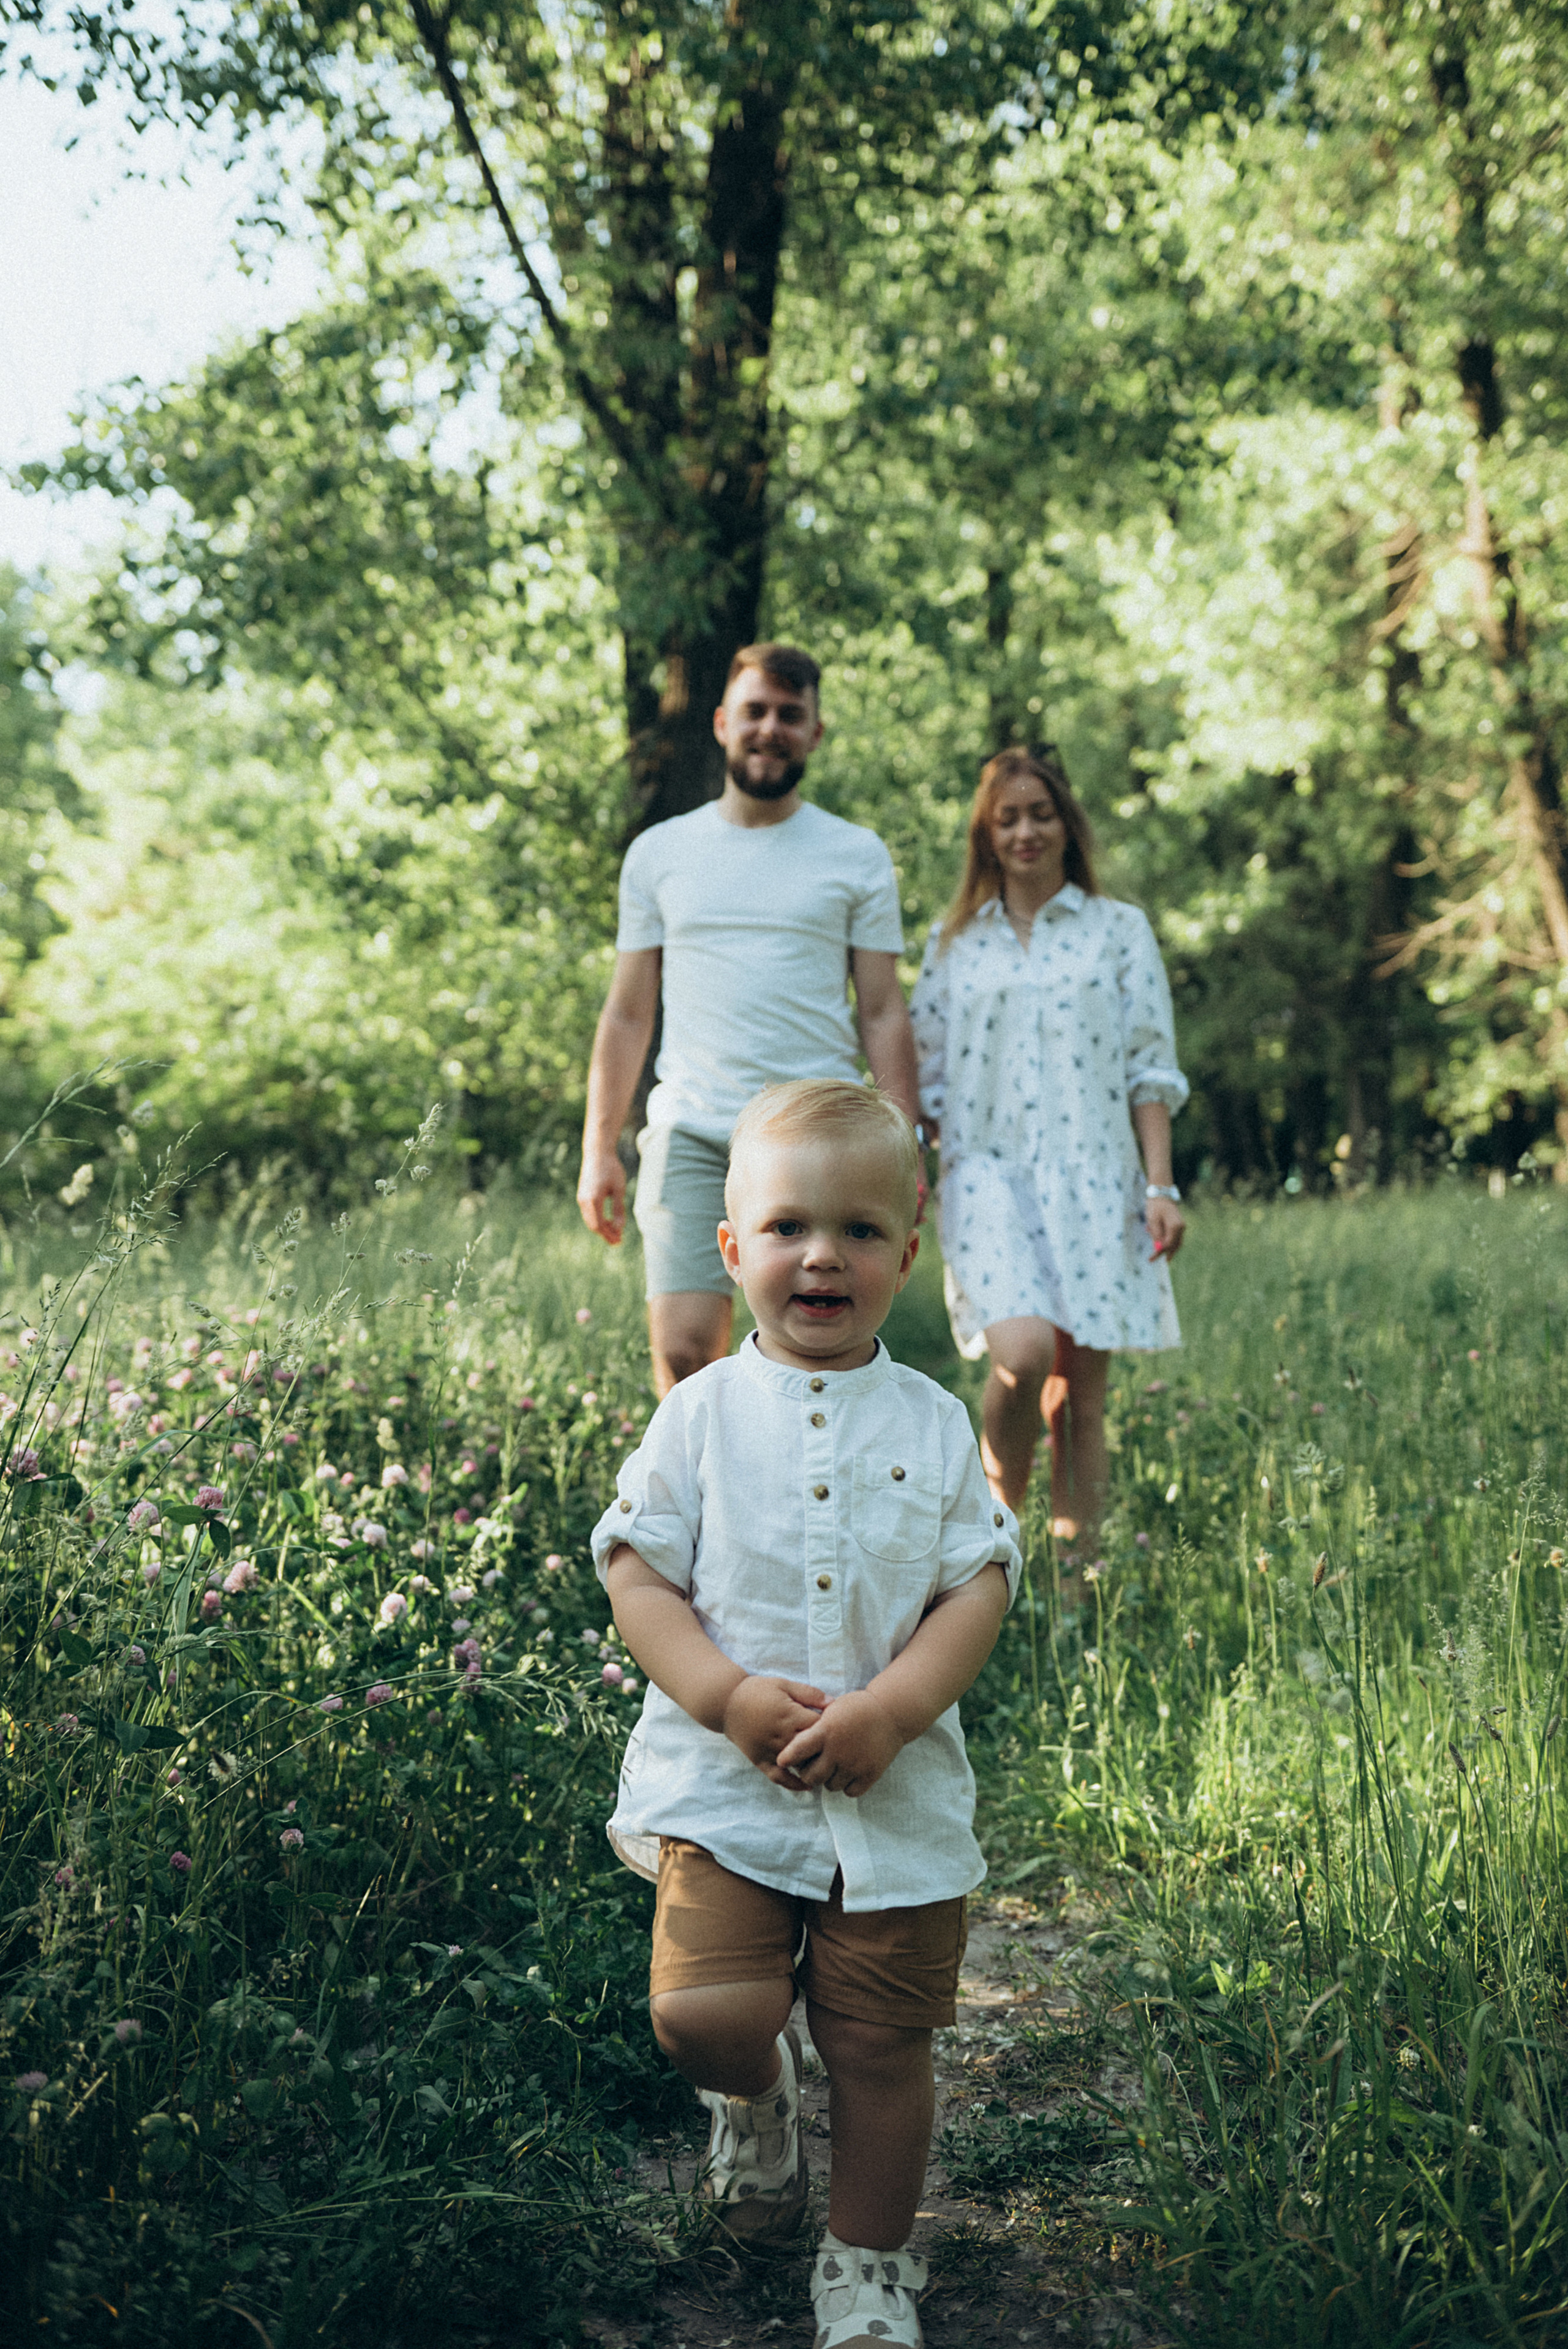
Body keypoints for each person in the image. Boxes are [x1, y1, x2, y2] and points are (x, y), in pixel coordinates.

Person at [591, 1079, 1019, 2349]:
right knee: (702, 2015)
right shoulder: (701, 1412)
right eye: (785, 1227)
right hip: (724, 1783)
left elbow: (976, 1583)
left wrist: (894, 1708)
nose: (819, 1252)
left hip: (889, 1796)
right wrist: (720, 1694)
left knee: (880, 2046)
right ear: (732, 1253)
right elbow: (636, 1567)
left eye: (856, 1228)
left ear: (908, 1245)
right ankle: (756, 2101)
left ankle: (868, 2265)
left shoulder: (935, 1422)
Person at [576, 644, 920, 1396]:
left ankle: (798, 1505)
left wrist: (908, 1141)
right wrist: (598, 1145)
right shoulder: (660, 852)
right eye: (756, 712)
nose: (771, 729)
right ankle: (699, 1514)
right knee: (686, 1351)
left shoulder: (856, 854)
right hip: (693, 1129)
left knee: (813, 1359)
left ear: (815, 733)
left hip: (818, 1138)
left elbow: (884, 1010)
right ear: (723, 723)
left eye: (790, 716)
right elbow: (629, 1012)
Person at [910, 744, 1188, 1561]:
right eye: (1009, 817)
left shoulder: (1119, 931)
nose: (1027, 830)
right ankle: (996, 1536)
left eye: (1042, 813)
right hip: (986, 1175)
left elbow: (1150, 1062)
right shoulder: (955, 941)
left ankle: (1076, 1582)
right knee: (1024, 1355)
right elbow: (921, 1067)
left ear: (1068, 823)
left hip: (1097, 1176)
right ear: (985, 835)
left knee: (1084, 1401)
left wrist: (1160, 1182)